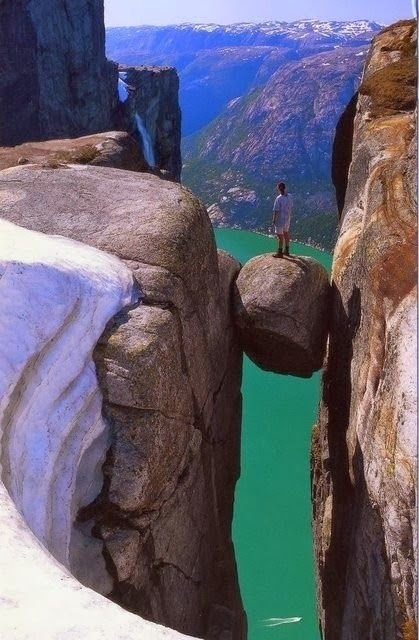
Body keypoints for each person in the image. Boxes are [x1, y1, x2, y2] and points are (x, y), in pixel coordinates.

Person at [271, 182, 292, 257]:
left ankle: (280, 252)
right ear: (285, 188)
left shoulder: (278, 198)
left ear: (278, 189)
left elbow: (276, 210)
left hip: (280, 219)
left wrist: (274, 220)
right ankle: (287, 250)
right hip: (287, 218)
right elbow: (291, 207)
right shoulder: (290, 196)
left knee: (280, 236)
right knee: (286, 233)